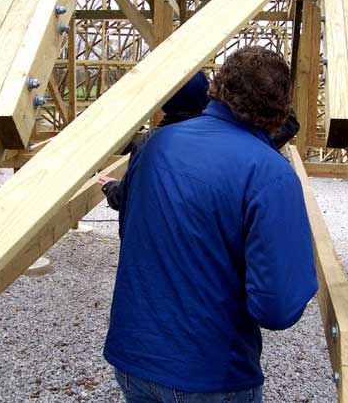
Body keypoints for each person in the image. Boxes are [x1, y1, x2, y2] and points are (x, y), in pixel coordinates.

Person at [103, 46, 317, 403]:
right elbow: (277, 308)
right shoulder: (271, 174)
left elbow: (134, 238)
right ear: (281, 109)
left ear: (218, 89)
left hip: (132, 361)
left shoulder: (152, 146)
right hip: (211, 376)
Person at [99, 70, 300, 211]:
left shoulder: (151, 143)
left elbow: (123, 199)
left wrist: (111, 187)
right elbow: (290, 123)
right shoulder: (233, 136)